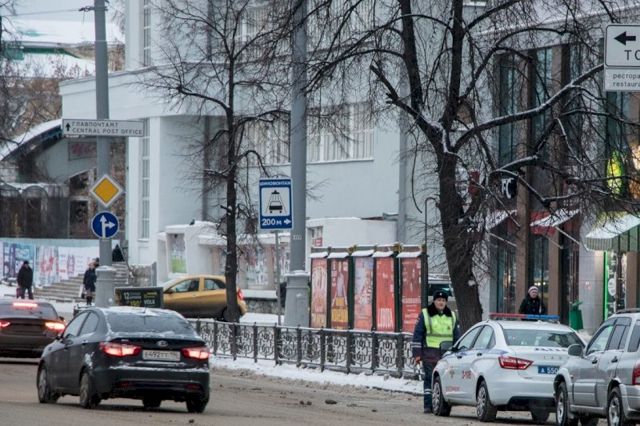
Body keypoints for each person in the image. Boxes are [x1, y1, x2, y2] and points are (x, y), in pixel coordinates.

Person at [412, 290, 461, 414]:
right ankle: (428, 405)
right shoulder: (425, 314)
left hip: (446, 355)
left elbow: (457, 337)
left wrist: (457, 352)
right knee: (430, 379)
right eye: (439, 300)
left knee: (444, 380)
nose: (441, 303)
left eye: (443, 300)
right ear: (434, 301)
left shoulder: (452, 315)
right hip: (430, 353)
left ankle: (441, 406)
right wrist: (417, 354)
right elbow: (417, 335)